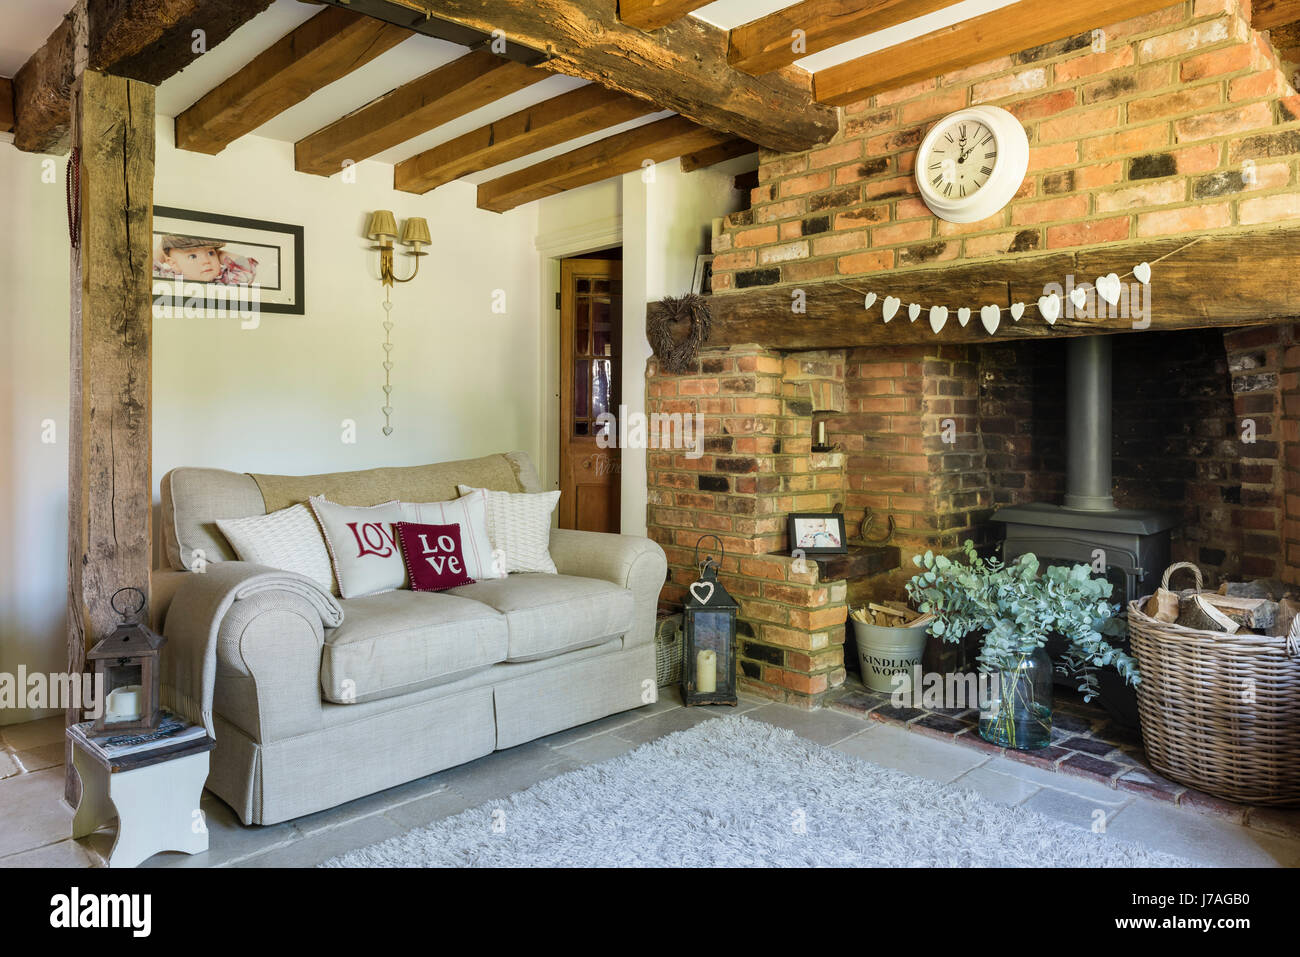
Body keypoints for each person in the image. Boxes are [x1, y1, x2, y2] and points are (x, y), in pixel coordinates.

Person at [154, 234, 257, 285]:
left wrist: (219, 253)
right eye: (192, 256)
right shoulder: (168, 279)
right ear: (173, 264)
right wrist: (161, 251)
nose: (206, 261)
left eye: (211, 253)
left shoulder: (221, 281)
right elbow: (144, 269)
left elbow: (247, 270)